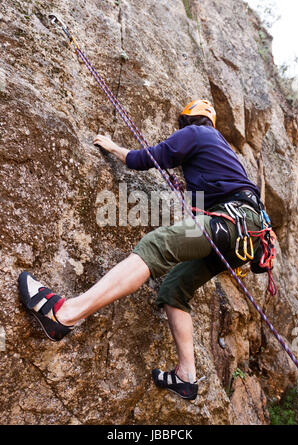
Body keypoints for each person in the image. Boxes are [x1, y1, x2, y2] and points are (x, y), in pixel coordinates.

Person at [18, 99, 263, 400]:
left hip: (231, 221)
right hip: (243, 233)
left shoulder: (198, 132)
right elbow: (203, 208)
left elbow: (145, 158)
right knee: (174, 288)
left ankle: (65, 314)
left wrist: (112, 146)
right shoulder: (223, 155)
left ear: (189, 120)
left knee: (155, 246)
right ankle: (186, 378)